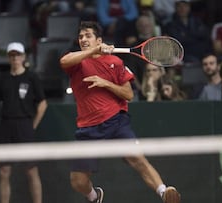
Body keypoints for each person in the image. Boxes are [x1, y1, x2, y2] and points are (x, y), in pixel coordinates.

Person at [59, 21, 180, 203]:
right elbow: (63, 61)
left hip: (116, 121)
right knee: (78, 181)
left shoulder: (115, 62)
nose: (83, 39)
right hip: (88, 128)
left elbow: (128, 94)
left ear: (98, 39)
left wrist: (106, 83)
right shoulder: (76, 62)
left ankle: (164, 192)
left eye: (88, 36)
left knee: (137, 159)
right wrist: (93, 51)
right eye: (81, 36)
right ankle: (94, 196)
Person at [0, 42, 47, 203]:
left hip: (25, 125)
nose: (15, 58)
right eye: (12, 55)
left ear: (23, 57)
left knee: (31, 170)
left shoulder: (32, 77)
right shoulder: (3, 78)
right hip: (6, 126)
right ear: (8, 58)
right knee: (4, 171)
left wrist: (32, 125)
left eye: (17, 55)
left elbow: (43, 103)